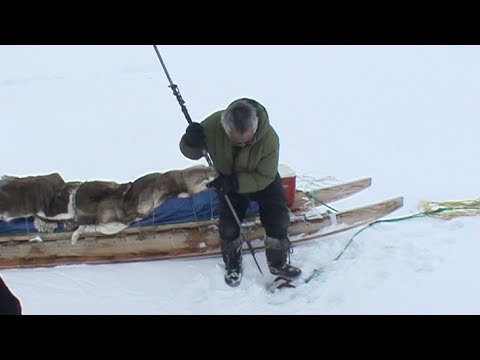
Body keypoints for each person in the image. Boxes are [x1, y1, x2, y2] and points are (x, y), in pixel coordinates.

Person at [179, 98, 301, 287]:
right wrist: (190, 141)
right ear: (226, 129)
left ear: (255, 128)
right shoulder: (212, 125)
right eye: (236, 142)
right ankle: (233, 263)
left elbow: (264, 176)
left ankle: (278, 262)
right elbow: (192, 152)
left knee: (278, 220)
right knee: (228, 227)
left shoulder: (269, 139)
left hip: (263, 182)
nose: (242, 146)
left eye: (247, 142)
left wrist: (235, 183)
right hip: (228, 180)